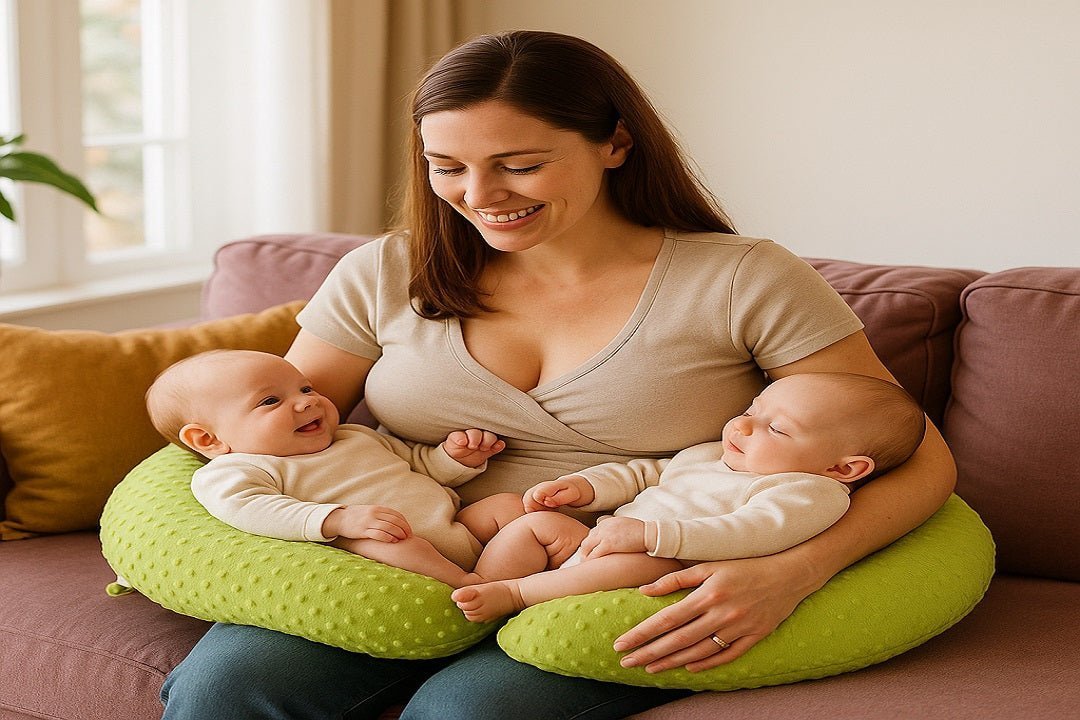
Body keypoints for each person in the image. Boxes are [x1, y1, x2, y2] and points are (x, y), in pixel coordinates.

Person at [160, 30, 955, 720]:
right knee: (229, 687)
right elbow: (254, 428)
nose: (479, 196)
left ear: (614, 142)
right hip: (404, 552)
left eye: (519, 164)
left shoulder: (744, 279)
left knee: (469, 712)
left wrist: (793, 571)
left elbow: (918, 453)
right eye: (448, 167)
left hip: (603, 570)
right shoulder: (386, 272)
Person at [451, 372, 927, 622]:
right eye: (752, 410)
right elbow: (646, 473)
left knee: (639, 566)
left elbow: (750, 533)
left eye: (776, 428)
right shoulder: (717, 453)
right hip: (600, 536)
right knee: (523, 516)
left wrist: (651, 535)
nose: (741, 425)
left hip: (664, 563)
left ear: (844, 468)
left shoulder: (810, 492)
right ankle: (472, 577)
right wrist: (587, 488)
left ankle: (513, 594)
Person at [146, 349, 534, 588]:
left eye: (306, 388)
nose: (306, 403)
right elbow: (250, 509)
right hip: (395, 551)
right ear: (207, 440)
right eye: (270, 401)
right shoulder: (239, 470)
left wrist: (455, 458)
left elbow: (418, 465)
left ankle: (529, 573)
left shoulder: (353, 436)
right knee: (387, 542)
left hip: (458, 526)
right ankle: (472, 585)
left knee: (507, 505)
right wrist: (336, 520)